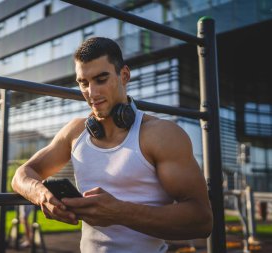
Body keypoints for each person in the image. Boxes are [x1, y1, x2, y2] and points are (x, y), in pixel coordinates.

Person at [11, 37, 213, 252]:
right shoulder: (75, 131)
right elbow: (22, 175)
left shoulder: (162, 134)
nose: (92, 93)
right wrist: (42, 196)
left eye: (101, 79)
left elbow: (201, 221)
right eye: (84, 83)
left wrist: (119, 213)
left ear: (124, 75)